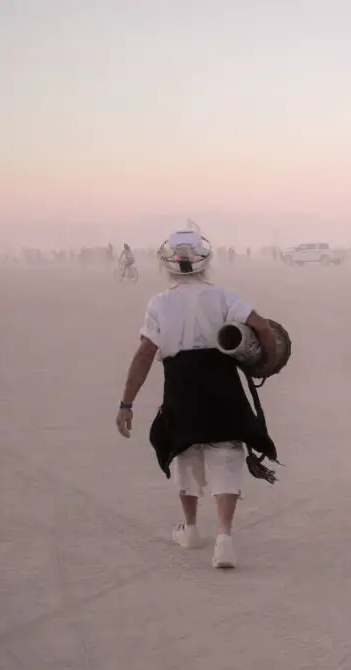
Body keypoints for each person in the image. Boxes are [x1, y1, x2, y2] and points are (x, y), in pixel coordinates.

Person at [114, 228, 279, 569]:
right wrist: (268, 361)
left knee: (184, 452)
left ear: (168, 264)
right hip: (221, 382)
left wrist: (126, 404)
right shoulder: (223, 297)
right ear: (205, 261)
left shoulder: (159, 303)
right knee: (226, 454)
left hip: (180, 385)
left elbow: (146, 353)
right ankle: (224, 539)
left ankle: (190, 529)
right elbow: (262, 327)